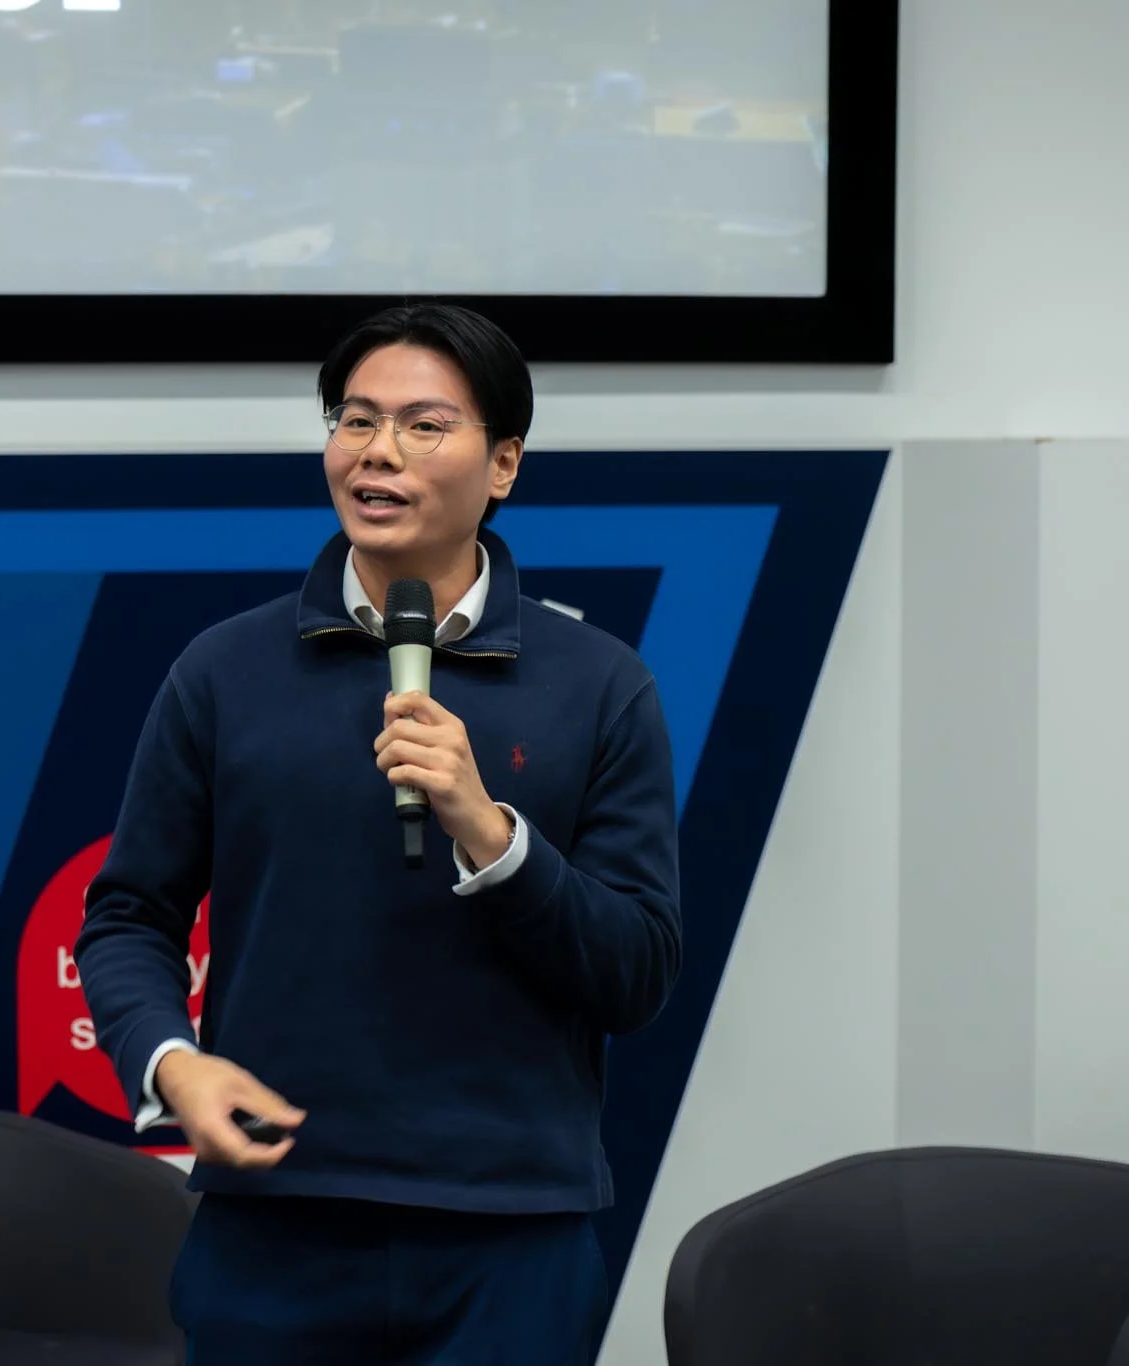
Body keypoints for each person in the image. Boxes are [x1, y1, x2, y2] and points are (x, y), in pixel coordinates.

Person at [72, 302, 681, 1365]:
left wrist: (492, 836)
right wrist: (173, 1064)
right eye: (353, 421)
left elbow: (634, 970)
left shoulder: (600, 684)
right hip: (275, 1218)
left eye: (421, 424)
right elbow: (129, 915)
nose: (376, 452)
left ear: (502, 465)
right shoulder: (225, 670)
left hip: (510, 1234)